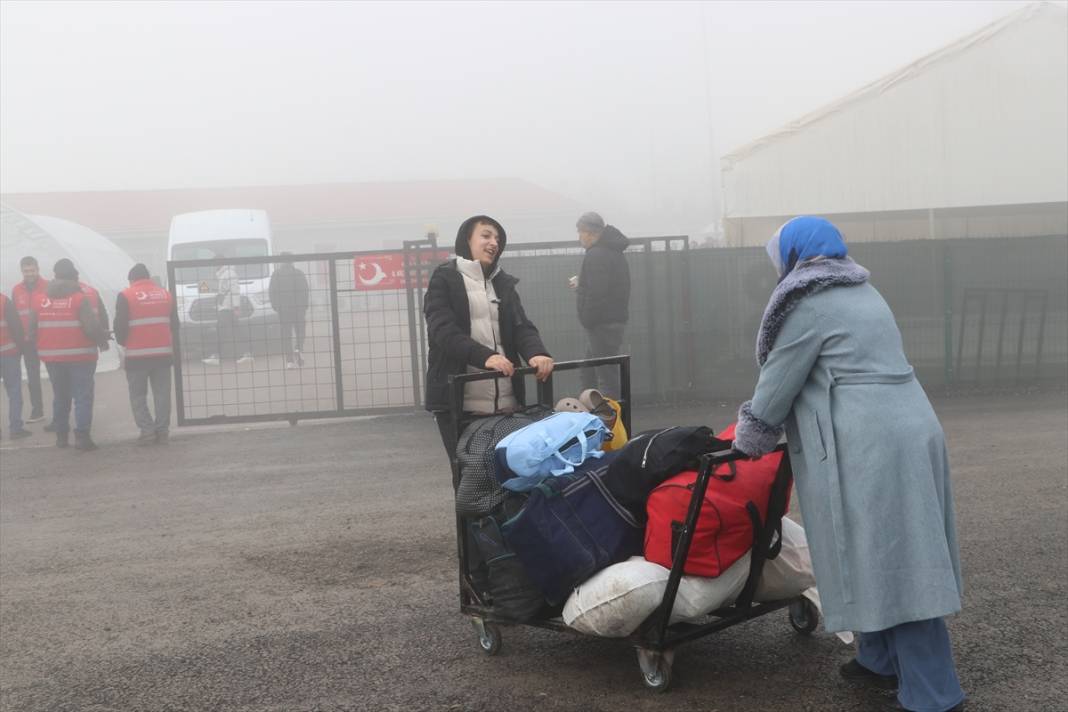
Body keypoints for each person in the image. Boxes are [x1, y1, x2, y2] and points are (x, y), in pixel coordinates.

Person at [732, 217, 965, 712]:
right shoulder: (862, 290)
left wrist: (749, 435)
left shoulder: (808, 304)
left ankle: (934, 694)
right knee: (874, 546)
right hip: (902, 428)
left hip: (870, 442)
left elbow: (779, 380)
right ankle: (879, 657)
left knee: (898, 561)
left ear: (792, 256)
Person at [424, 215, 554, 456]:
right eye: (486, 235)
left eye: (497, 238)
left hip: (507, 402)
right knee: (470, 480)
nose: (494, 242)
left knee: (511, 475)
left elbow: (521, 326)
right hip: (460, 404)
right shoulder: (444, 279)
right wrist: (486, 357)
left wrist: (537, 353)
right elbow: (443, 331)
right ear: (467, 240)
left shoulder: (503, 283)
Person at [29, 258, 109, 451]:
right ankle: (82, 437)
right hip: (80, 356)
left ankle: (61, 437)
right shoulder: (80, 298)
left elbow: (32, 329)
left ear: (54, 276)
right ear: (74, 276)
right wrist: (102, 341)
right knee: (82, 396)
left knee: (60, 395)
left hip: (52, 357)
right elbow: (91, 326)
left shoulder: (39, 298)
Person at [114, 263, 178, 445]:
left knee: (138, 396)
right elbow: (175, 325)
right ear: (148, 278)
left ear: (132, 279)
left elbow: (120, 326)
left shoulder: (126, 295)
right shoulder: (165, 295)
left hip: (137, 356)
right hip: (163, 355)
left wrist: (124, 342)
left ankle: (147, 430)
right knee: (162, 394)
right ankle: (162, 431)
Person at [572, 211, 630, 398]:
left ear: (590, 233)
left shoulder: (596, 254)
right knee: (589, 370)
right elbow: (608, 286)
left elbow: (598, 292)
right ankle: (592, 412)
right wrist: (582, 284)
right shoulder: (613, 252)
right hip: (612, 321)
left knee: (606, 377)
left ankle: (610, 421)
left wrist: (587, 319)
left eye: (580, 232)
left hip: (601, 324)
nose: (579, 237)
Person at [11, 256, 48, 425]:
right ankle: (37, 410)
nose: (29, 274)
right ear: (22, 271)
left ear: (38, 269)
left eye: (32, 270)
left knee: (57, 376)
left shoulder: (48, 287)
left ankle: (61, 409)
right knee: (33, 377)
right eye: (26, 271)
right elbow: (15, 318)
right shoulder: (16, 290)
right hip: (27, 342)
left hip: (47, 339)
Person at [203, 262, 253, 366]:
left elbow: (235, 290)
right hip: (227, 307)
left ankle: (216, 356)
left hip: (227, 308)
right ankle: (247, 354)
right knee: (237, 331)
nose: (213, 266)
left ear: (219, 263)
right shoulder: (223, 274)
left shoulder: (229, 274)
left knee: (221, 331)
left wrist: (236, 307)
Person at [268, 255, 310, 368]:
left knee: (286, 334)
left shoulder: (276, 274)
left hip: (283, 309)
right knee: (300, 331)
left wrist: (276, 306)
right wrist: (304, 305)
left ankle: (289, 361)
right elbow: (305, 290)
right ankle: (298, 348)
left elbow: (272, 292)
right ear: (292, 262)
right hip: (298, 308)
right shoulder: (299, 273)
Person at [0, 292, 32, 440]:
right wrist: (21, 349)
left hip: (8, 353)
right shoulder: (4, 301)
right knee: (14, 391)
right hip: (8, 353)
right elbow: (16, 327)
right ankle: (15, 428)